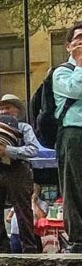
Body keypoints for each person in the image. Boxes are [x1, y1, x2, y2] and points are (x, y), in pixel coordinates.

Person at [0, 94, 41, 253]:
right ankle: (1, 248)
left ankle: (29, 248)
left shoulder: (24, 127)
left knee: (23, 210)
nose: (3, 111)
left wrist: (8, 150)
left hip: (18, 169)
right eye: (1, 108)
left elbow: (33, 150)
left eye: (7, 107)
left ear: (16, 110)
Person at [53, 21, 82, 253]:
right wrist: (81, 63)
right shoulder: (62, 72)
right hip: (73, 132)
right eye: (79, 39)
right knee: (74, 186)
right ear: (68, 46)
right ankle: (78, 239)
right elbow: (75, 89)